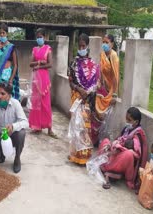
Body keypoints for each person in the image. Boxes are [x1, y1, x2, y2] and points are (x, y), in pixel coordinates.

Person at [67, 33, 100, 165]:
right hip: (76, 98)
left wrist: (88, 92)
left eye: (83, 46)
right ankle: (75, 155)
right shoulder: (73, 63)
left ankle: (85, 156)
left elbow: (96, 83)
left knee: (85, 128)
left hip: (87, 100)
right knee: (76, 127)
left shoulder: (93, 64)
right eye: (79, 46)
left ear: (87, 46)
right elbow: (70, 82)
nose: (81, 48)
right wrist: (79, 89)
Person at [98, 107, 148, 190]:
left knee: (129, 154)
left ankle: (109, 171)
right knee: (105, 141)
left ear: (136, 122)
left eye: (129, 120)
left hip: (123, 156)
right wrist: (112, 145)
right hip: (115, 151)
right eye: (126, 118)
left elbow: (137, 153)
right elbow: (118, 139)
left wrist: (120, 148)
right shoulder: (127, 128)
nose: (127, 121)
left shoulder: (139, 134)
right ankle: (105, 166)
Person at [28, 28, 57, 138]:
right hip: (36, 79)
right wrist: (40, 62)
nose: (39, 39)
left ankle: (49, 129)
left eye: (41, 37)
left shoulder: (48, 49)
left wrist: (39, 66)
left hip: (44, 79)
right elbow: (31, 64)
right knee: (36, 103)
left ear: (45, 37)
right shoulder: (34, 49)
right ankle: (37, 127)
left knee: (46, 104)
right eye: (38, 37)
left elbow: (50, 64)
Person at [92, 34, 120, 146]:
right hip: (101, 89)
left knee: (105, 118)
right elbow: (100, 71)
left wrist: (114, 94)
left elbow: (116, 76)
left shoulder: (114, 57)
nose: (104, 44)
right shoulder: (102, 55)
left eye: (107, 42)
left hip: (109, 91)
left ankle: (102, 140)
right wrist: (98, 82)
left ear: (112, 44)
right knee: (95, 115)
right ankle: (94, 139)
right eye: (103, 42)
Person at [0, 23, 20, 131]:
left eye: (3, 33)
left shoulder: (11, 47)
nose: (2, 35)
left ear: (7, 34)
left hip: (8, 75)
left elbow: (15, 64)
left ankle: (10, 125)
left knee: (9, 101)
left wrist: (11, 79)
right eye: (0, 33)